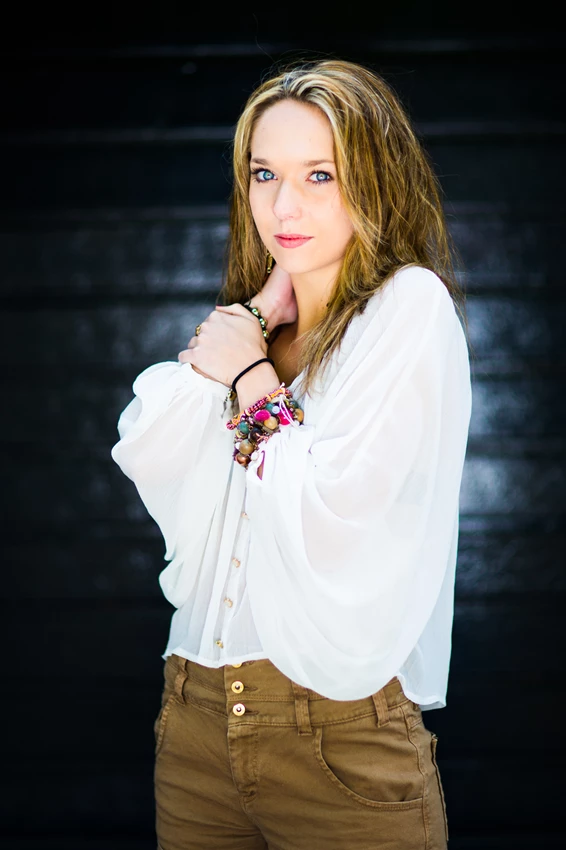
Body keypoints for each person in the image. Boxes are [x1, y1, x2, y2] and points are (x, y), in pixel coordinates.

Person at [111, 58, 472, 850]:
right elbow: (149, 446)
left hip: (336, 737)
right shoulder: (258, 323)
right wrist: (256, 314)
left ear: (373, 179)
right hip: (196, 722)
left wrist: (245, 374)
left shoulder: (407, 310)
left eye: (320, 175)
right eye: (264, 173)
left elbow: (333, 507)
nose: (284, 205)